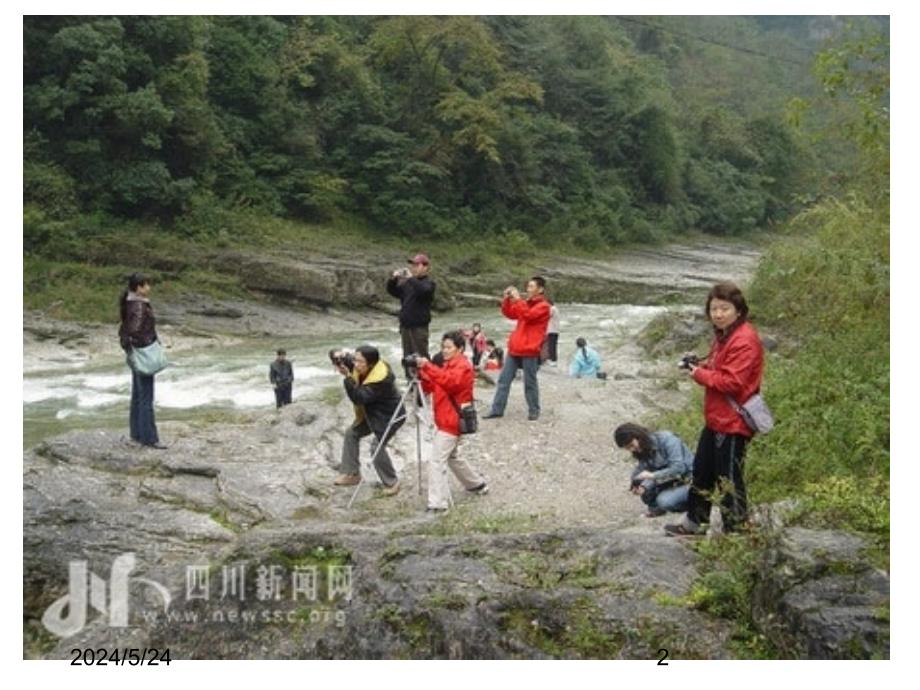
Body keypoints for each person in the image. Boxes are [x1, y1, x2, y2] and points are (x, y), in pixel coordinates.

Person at [665, 282, 765, 536]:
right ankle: (694, 522)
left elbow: (733, 382)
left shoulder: (744, 340)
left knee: (729, 479)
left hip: (733, 422)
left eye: (725, 308)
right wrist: (699, 365)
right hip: (717, 419)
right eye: (714, 309)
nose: (718, 314)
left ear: (739, 310)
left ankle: (737, 529)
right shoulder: (725, 336)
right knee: (702, 472)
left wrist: (699, 374)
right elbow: (719, 369)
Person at [417, 331, 489, 512]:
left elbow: (451, 383)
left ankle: (438, 504)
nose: (445, 350)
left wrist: (428, 367)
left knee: (436, 460)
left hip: (453, 420)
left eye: (449, 347)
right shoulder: (447, 365)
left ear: (460, 349)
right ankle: (476, 484)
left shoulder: (463, 366)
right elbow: (433, 386)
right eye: (443, 347)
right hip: (445, 418)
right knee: (452, 456)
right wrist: (422, 373)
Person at [333, 345, 405, 496]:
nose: (356, 365)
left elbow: (359, 398)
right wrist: (339, 357)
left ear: (371, 363)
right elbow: (347, 361)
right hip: (371, 414)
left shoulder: (381, 379)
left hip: (389, 416)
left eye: (360, 362)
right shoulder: (363, 364)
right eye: (355, 360)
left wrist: (347, 377)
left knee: (376, 447)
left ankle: (392, 482)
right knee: (351, 433)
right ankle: (352, 474)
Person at [483, 276, 551, 421]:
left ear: (540, 289)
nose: (528, 289)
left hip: (530, 350)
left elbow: (528, 315)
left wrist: (518, 299)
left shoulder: (544, 306)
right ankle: (497, 410)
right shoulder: (525, 303)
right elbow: (510, 313)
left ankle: (534, 410)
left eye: (532, 287)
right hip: (515, 348)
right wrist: (507, 299)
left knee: (530, 382)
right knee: (503, 380)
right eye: (528, 286)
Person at [118, 272, 166, 449]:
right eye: (146, 285)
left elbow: (126, 329)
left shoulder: (130, 303)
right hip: (143, 353)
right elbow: (136, 330)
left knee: (137, 395)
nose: (149, 288)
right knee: (146, 397)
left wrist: (130, 347)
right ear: (138, 288)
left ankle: (137, 434)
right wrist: (148, 344)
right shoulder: (139, 306)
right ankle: (149, 438)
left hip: (134, 353)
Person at [614, 423, 694, 517]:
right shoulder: (643, 449)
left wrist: (652, 476)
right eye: (628, 448)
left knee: (664, 501)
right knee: (646, 493)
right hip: (672, 479)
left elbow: (678, 468)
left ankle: (695, 505)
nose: (632, 450)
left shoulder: (668, 439)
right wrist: (640, 486)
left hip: (690, 479)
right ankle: (658, 508)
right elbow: (643, 470)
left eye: (632, 445)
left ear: (638, 436)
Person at [386, 253, 436, 378]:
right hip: (405, 326)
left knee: (421, 356)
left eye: (417, 265)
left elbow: (423, 291)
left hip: (419, 327)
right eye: (413, 265)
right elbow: (393, 291)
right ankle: (411, 384)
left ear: (425, 267)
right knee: (407, 357)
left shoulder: (428, 283)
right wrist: (393, 279)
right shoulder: (408, 284)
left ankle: (427, 383)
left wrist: (410, 278)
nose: (413, 268)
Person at [545, 301, 560, 366]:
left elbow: (546, 316)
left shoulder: (552, 309)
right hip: (556, 330)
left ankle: (552, 360)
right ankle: (554, 360)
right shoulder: (556, 309)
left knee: (551, 346)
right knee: (553, 345)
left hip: (552, 330)